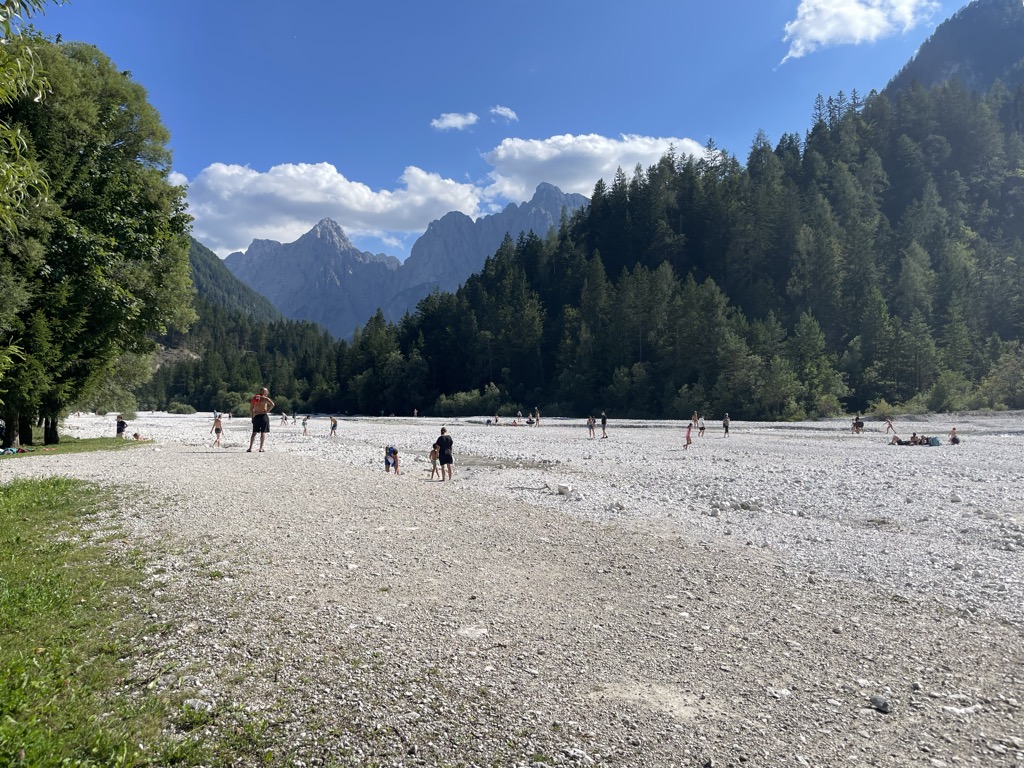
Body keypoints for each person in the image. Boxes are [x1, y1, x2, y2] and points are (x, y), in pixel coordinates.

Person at [247, 387, 275, 452]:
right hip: (263, 416)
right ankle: (261, 448)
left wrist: (252, 417)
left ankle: (250, 448)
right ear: (264, 392)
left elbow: (251, 409)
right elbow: (272, 404)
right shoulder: (265, 398)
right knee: (263, 432)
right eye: (267, 392)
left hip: (256, 416)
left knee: (254, 432)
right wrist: (267, 410)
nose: (267, 393)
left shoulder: (254, 398)